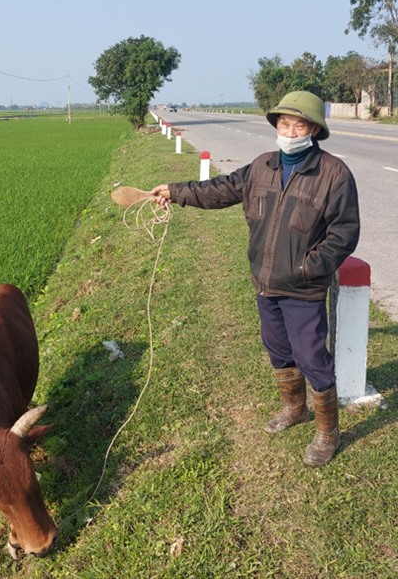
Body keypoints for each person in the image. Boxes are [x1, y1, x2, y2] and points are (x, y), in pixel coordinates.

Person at [150, 91, 360, 467]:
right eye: (283, 123)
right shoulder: (262, 166)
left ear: (313, 129)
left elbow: (344, 233)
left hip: (303, 288)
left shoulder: (334, 174)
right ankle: (294, 408)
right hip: (266, 283)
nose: (289, 130)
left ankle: (329, 432)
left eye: (298, 124)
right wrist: (173, 191)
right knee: (277, 349)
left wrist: (308, 267)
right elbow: (219, 189)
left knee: (312, 357)